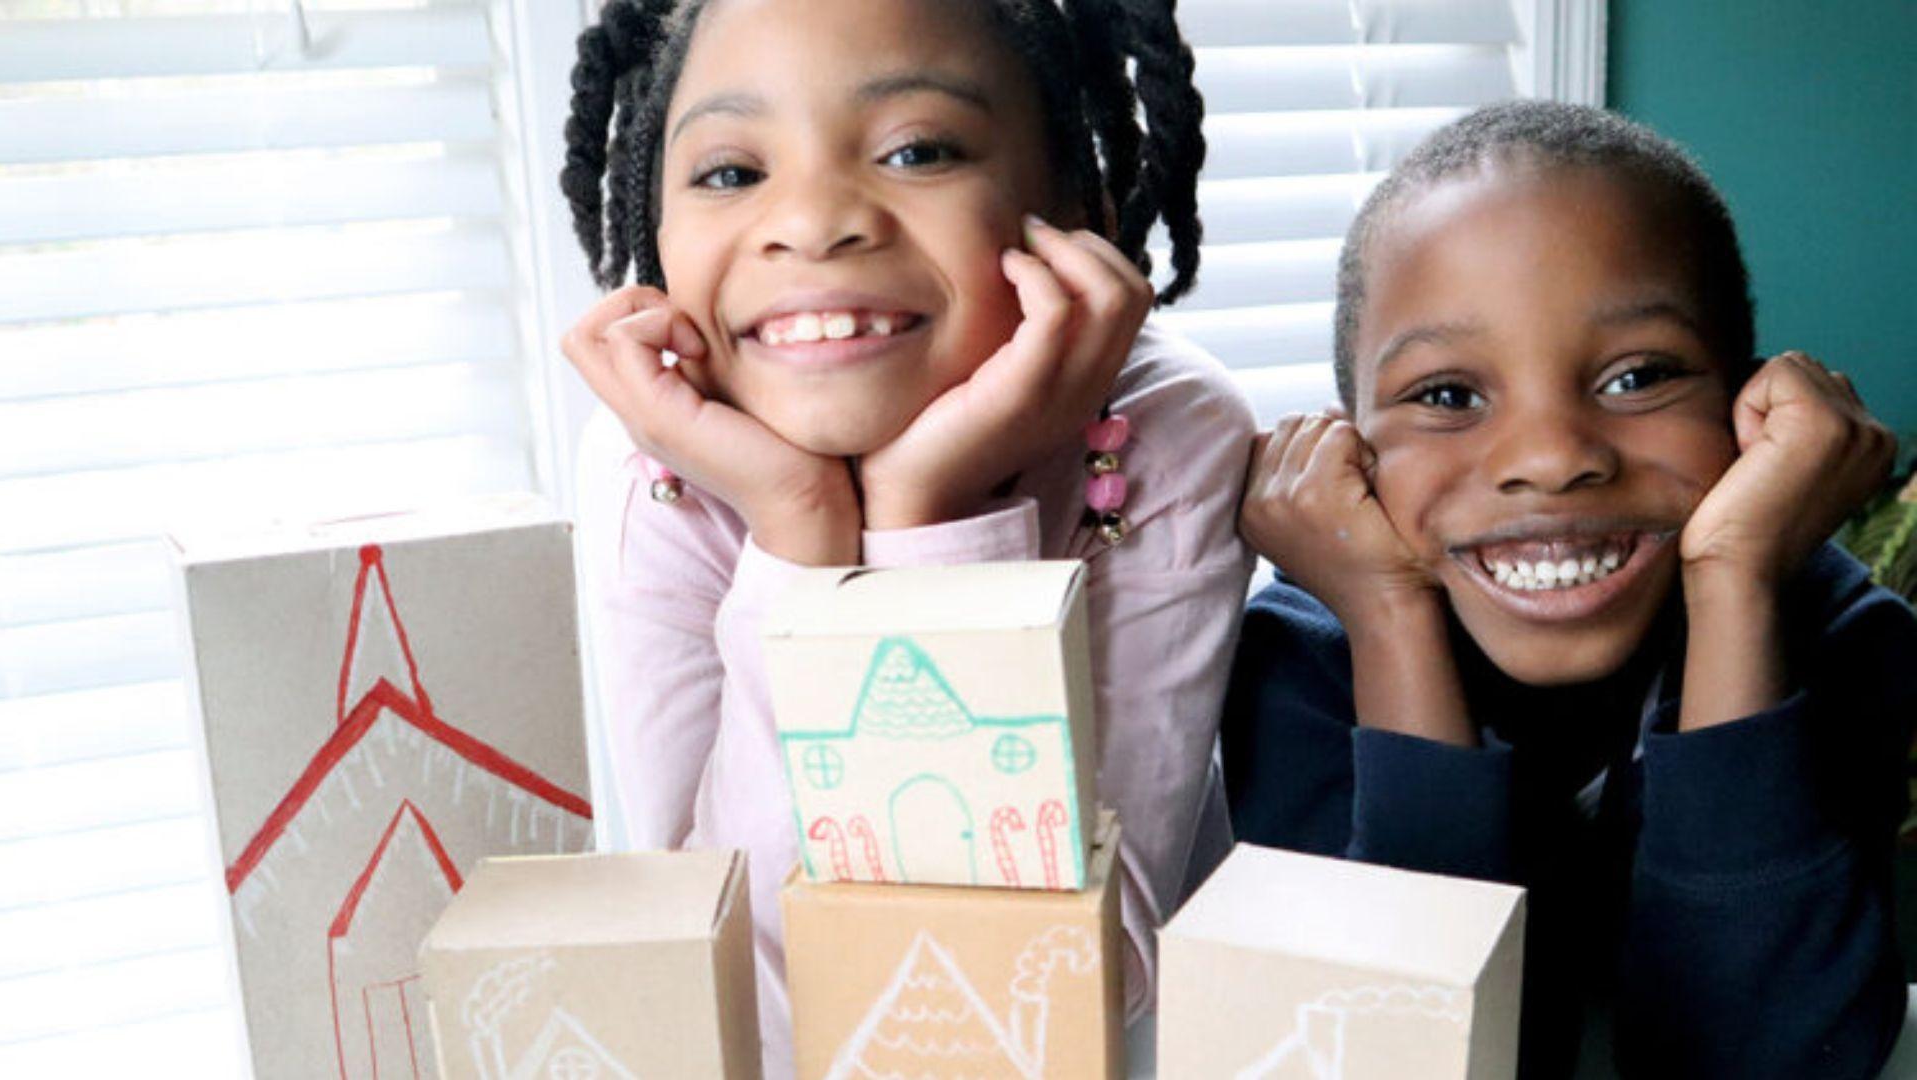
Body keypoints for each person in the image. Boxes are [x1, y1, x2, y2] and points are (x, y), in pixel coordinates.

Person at [559, 0, 1253, 1071]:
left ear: (1077, 208)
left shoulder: (1160, 438)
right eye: (733, 172)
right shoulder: (654, 463)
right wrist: (798, 536)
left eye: (916, 150)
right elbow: (725, 986)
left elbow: (1067, 996)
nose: (814, 221)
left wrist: (927, 516)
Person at [1222, 100, 1912, 1078]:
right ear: (1352, 450)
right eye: (1448, 396)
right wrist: (1390, 621)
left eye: (1638, 378)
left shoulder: (1837, 639)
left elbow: (1764, 1056)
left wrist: (1734, 588)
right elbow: (1396, 1049)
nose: (1550, 459)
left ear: (1751, 410)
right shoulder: (1299, 663)